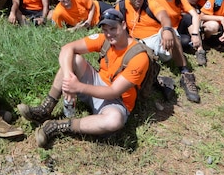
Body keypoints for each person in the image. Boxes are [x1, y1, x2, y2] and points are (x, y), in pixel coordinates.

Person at [18, 9, 151, 147]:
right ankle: (45, 110)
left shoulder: (139, 57)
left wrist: (78, 87)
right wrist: (69, 78)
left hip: (116, 101)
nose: (109, 34)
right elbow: (67, 48)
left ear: (123, 25)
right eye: (105, 29)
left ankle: (59, 126)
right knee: (72, 60)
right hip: (96, 82)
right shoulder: (104, 39)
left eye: (113, 28)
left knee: (114, 121)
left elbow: (114, 92)